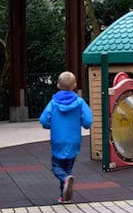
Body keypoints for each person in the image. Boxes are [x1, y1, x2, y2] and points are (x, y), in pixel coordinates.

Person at [39, 71, 93, 203]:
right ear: (74, 85)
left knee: (56, 167)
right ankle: (64, 196)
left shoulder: (53, 103)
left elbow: (44, 120)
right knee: (68, 168)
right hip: (74, 141)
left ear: (58, 85)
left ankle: (65, 179)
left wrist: (49, 126)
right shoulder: (79, 102)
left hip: (58, 140)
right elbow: (87, 120)